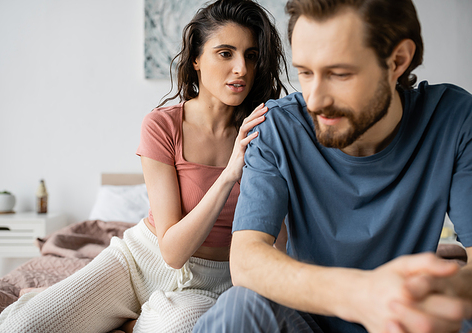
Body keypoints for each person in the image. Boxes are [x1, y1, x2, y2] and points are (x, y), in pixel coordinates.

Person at [0, 0, 288, 332]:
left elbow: (278, 235)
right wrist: (230, 173)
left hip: (212, 283)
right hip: (138, 261)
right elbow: (172, 252)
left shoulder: (263, 132)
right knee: (21, 328)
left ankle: (134, 323)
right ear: (196, 60)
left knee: (173, 327)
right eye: (225, 53)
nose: (241, 69)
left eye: (250, 55)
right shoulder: (163, 125)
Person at [193, 0, 472, 332]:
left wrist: (436, 292)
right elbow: (246, 261)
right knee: (240, 307)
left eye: (339, 74)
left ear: (397, 61)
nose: (315, 99)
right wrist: (360, 294)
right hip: (306, 322)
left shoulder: (454, 119)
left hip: (404, 321)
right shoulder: (277, 127)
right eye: (306, 73)